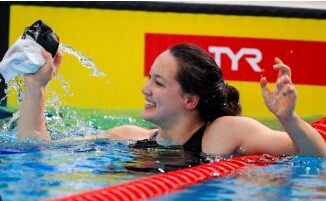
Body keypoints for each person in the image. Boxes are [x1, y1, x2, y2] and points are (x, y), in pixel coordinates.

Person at [17, 43, 326, 157]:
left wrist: (289, 119)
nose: (145, 88)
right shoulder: (128, 136)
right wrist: (36, 86)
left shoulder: (224, 132)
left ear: (190, 100)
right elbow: (37, 149)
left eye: (158, 81)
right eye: (149, 77)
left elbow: (316, 156)